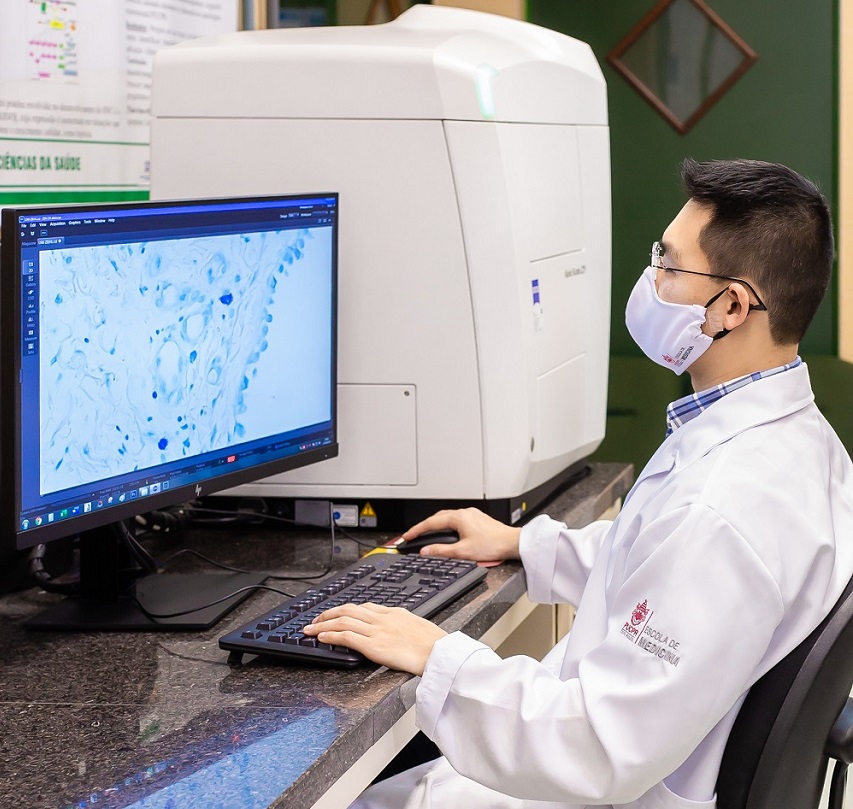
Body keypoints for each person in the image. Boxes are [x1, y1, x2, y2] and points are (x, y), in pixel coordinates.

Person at [301, 158, 853, 809]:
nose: (651, 281)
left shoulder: (721, 507)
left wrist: (438, 653)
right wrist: (527, 545)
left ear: (730, 305)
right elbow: (667, 569)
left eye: (670, 265)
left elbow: (598, 745)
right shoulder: (802, 443)